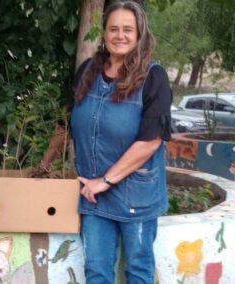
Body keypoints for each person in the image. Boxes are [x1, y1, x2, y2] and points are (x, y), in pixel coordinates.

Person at [71, 1, 172, 283]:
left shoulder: (154, 77)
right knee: (96, 272)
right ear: (104, 33)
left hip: (135, 197)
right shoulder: (88, 71)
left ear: (140, 34)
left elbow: (150, 142)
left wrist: (106, 180)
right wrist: (41, 169)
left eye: (128, 29)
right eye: (113, 28)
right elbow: (66, 123)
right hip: (94, 195)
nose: (120, 35)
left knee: (138, 271)